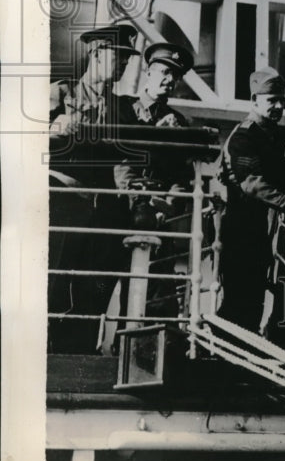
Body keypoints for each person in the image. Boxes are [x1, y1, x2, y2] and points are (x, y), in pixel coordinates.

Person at [48, 23, 140, 353]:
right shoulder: (61, 93)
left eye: (128, 60)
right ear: (97, 53)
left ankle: (81, 356)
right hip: (64, 206)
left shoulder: (123, 108)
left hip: (106, 214)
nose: (126, 65)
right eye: (121, 57)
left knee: (94, 292)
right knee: (55, 285)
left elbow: (133, 160)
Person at [216, 67, 285, 334]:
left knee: (255, 299)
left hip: (262, 231)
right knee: (238, 299)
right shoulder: (244, 136)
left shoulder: (279, 136)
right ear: (254, 100)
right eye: (272, 100)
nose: (278, 106)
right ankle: (224, 359)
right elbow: (252, 184)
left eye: (281, 100)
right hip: (240, 228)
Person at [114, 41, 194, 231]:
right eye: (165, 72)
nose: (170, 80)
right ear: (148, 72)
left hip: (160, 210)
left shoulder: (179, 122)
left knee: (161, 260)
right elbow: (121, 160)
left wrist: (169, 206)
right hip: (123, 202)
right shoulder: (122, 108)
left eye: (176, 75)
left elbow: (181, 174)